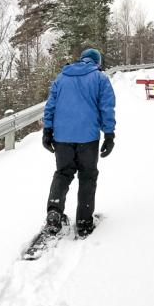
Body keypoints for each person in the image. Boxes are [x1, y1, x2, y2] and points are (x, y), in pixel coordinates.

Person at [42, 48, 116, 237]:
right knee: (87, 176)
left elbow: (50, 105)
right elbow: (107, 107)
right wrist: (109, 135)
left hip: (62, 138)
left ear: (81, 58)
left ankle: (54, 213)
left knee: (63, 173)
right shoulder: (100, 79)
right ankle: (83, 222)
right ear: (97, 62)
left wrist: (47, 130)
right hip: (88, 138)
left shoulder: (62, 77)